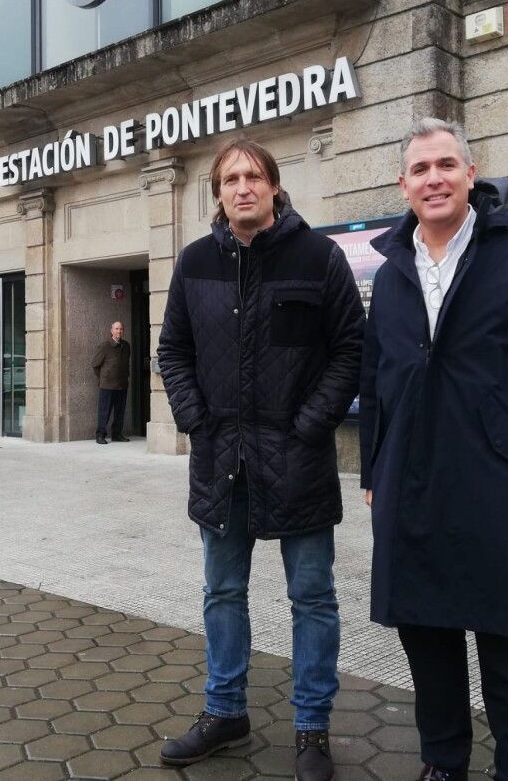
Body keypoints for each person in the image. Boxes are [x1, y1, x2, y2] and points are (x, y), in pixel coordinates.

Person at [359, 118, 508, 781]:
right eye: (419, 169)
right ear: (403, 185)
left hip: (502, 480)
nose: (432, 178)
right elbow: (376, 377)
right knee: (426, 638)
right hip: (409, 479)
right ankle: (443, 763)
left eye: (444, 165)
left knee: (507, 644)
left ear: (470, 174)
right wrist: (375, 465)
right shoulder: (395, 268)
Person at [158, 137, 365, 780]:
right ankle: (225, 712)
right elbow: (172, 351)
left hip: (297, 459)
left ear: (275, 186)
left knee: (312, 596)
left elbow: (350, 350)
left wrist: (309, 425)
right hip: (222, 462)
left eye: (254, 176)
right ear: (218, 193)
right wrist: (195, 422)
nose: (243, 187)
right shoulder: (195, 263)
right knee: (223, 591)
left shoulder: (319, 257)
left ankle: (311, 729)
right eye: (230, 178)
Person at [92, 320, 131, 444]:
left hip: (122, 384)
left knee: (120, 412)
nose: (119, 331)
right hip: (107, 385)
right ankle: (100, 435)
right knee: (105, 411)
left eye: (121, 329)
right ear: (111, 331)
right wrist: (103, 377)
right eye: (116, 329)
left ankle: (117, 434)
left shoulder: (126, 346)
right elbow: (95, 365)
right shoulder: (105, 346)